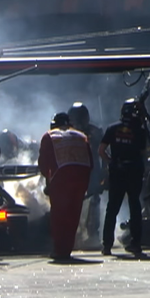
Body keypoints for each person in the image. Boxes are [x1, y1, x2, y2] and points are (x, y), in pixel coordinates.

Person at [38, 112, 92, 261]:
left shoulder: (50, 136)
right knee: (73, 215)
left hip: (62, 177)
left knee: (59, 215)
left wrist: (48, 181)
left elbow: (44, 164)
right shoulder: (81, 136)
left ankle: (60, 250)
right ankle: (67, 249)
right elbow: (90, 160)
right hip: (81, 176)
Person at [100, 98, 150, 257]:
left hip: (117, 170)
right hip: (134, 170)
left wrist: (111, 162)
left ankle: (107, 245)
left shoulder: (112, 128)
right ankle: (136, 244)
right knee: (135, 207)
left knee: (112, 208)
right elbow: (143, 152)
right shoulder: (141, 130)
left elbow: (101, 150)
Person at [68, 102, 105, 247]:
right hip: (72, 173)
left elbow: (104, 152)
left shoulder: (95, 132)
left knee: (94, 203)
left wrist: (104, 173)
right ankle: (73, 234)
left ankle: (93, 234)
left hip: (92, 172)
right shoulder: (65, 133)